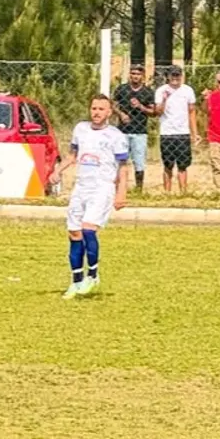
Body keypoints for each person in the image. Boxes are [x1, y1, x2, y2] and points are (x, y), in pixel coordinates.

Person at [49, 93, 129, 298]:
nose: (97, 112)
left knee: (88, 229)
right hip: (81, 187)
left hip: (102, 187)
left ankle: (92, 275)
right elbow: (72, 155)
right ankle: (76, 282)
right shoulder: (81, 129)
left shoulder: (116, 137)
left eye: (101, 109)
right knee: (74, 233)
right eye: (94, 108)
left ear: (110, 112)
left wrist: (121, 193)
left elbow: (123, 168)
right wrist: (58, 171)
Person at [155, 66, 198, 195]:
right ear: (168, 76)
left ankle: (183, 192)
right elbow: (158, 112)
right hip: (167, 133)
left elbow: (192, 112)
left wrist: (194, 133)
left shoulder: (188, 90)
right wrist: (164, 99)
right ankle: (167, 192)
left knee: (183, 165)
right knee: (168, 165)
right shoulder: (161, 90)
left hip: (183, 133)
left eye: (178, 75)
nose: (175, 78)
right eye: (173, 75)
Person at [113, 64, 155, 191]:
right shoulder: (122, 89)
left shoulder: (147, 92)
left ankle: (138, 189)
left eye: (138, 74)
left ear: (142, 76)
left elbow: (153, 111)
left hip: (140, 132)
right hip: (123, 131)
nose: (135, 76)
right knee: (120, 160)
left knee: (139, 161)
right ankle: (118, 187)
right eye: (133, 73)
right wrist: (121, 114)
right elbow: (113, 105)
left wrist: (141, 107)